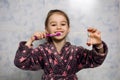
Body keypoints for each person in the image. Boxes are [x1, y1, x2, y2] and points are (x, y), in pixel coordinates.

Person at [14, 9, 108, 80]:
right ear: (47, 30)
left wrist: (99, 45)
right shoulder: (42, 51)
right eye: (53, 25)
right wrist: (31, 40)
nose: (58, 27)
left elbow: (96, 61)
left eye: (63, 24)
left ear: (68, 28)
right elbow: (20, 62)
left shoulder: (76, 51)